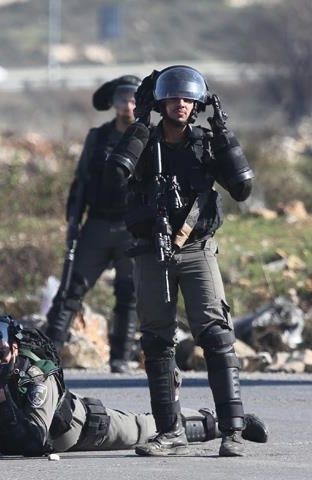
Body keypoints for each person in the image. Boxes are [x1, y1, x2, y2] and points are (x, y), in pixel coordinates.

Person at [103, 65, 256, 456]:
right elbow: (113, 176)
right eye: (173, 97)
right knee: (156, 342)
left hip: (196, 248)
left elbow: (242, 188)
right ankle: (170, 432)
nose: (181, 104)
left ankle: (233, 431)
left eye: (188, 98)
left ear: (198, 103)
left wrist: (223, 132)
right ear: (161, 102)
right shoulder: (144, 141)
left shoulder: (207, 143)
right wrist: (139, 124)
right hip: (151, 251)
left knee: (217, 336)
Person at [0, 315, 268, 457]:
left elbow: (33, 443)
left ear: (14, 348)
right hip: (24, 438)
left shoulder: (36, 375)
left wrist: (3, 404)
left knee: (145, 428)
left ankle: (223, 423)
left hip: (79, 429)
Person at [44, 75, 142, 373]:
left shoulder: (149, 137)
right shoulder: (98, 138)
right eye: (122, 98)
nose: (128, 105)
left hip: (132, 227)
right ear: (113, 103)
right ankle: (47, 356)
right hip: (97, 224)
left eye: (134, 99)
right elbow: (81, 182)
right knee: (70, 290)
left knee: (129, 293)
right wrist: (73, 222)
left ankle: (120, 358)